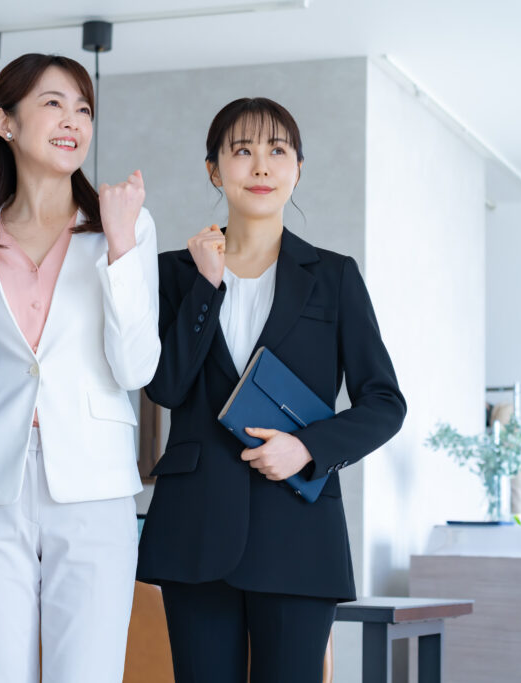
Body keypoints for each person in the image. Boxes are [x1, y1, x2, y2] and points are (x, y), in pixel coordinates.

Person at [138, 97, 407, 683]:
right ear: (214, 169)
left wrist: (308, 448)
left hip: (296, 536)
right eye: (242, 151)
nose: (260, 166)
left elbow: (384, 401)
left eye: (276, 151)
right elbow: (165, 386)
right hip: (196, 531)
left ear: (298, 169)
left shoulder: (334, 277)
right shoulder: (173, 273)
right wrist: (206, 288)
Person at [0, 53, 161, 682]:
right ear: (5, 123)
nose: (72, 120)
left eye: (83, 108)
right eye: (53, 103)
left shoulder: (123, 229)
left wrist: (123, 243)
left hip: (95, 488)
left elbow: (137, 368)